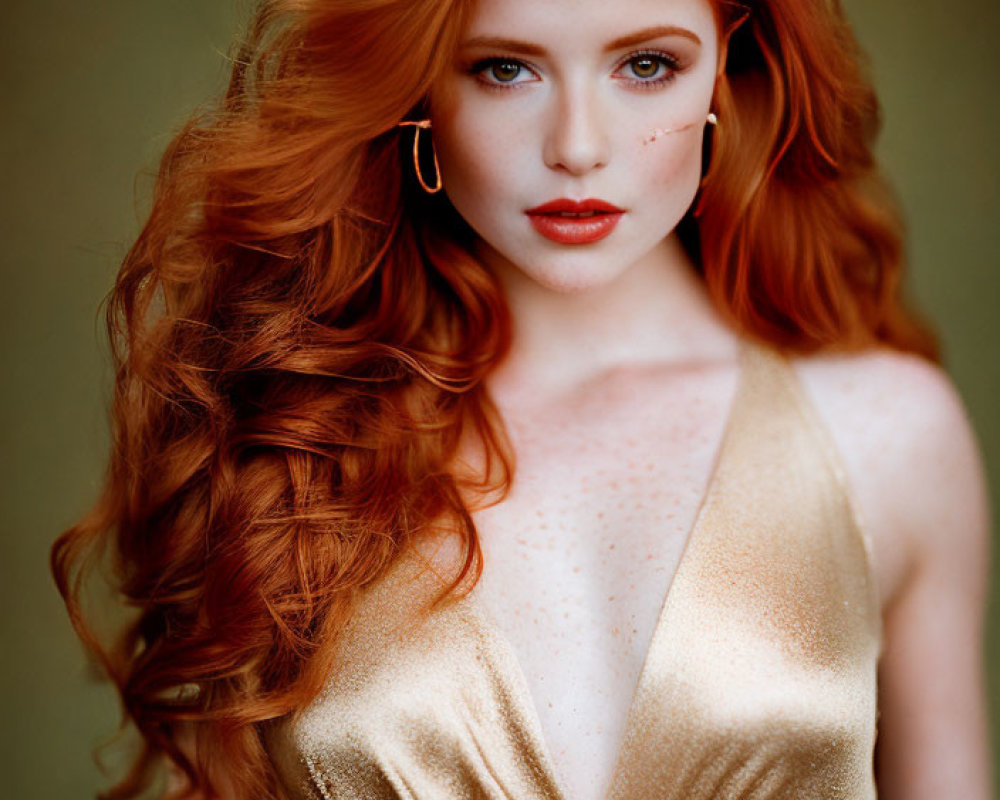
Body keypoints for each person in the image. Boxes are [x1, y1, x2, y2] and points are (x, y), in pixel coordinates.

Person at [51, 0, 993, 797]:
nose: (577, 146)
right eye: (505, 70)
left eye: (649, 65)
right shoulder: (294, 427)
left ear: (728, 78)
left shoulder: (888, 432)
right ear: (420, 91)